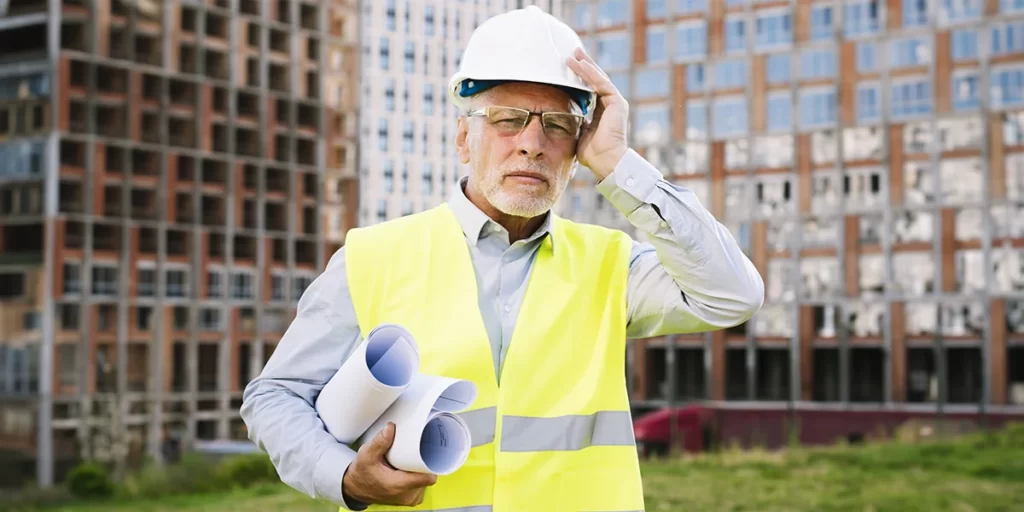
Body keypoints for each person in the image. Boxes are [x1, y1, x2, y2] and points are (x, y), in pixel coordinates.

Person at [240, 6, 764, 512]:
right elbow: (276, 396)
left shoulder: (611, 266)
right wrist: (344, 477)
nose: (533, 144)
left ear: (578, 150)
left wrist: (619, 164)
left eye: (558, 125)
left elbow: (732, 295)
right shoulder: (372, 257)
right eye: (508, 120)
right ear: (465, 137)